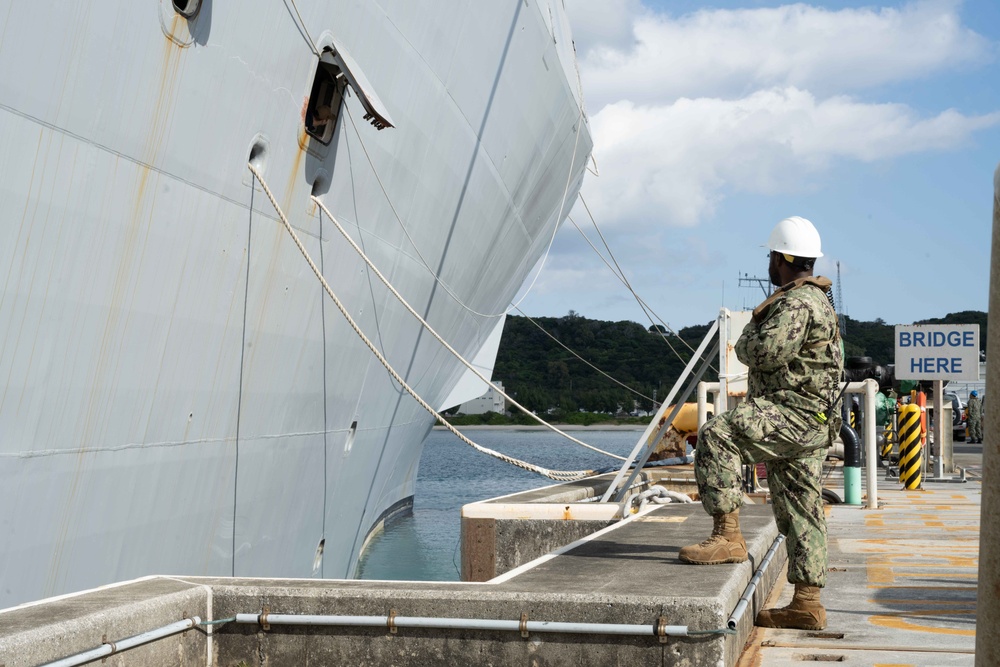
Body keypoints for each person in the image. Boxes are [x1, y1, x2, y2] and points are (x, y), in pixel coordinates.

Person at [678, 216, 844, 631]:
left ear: (782, 259)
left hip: (792, 414)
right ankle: (807, 602)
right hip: (812, 420)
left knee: (717, 433)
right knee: (802, 509)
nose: (770, 264)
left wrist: (750, 333)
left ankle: (727, 537)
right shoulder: (818, 300)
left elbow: (763, 352)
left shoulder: (796, 303)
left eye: (772, 256)